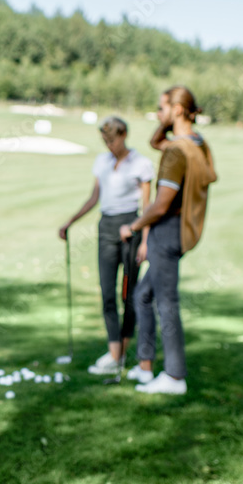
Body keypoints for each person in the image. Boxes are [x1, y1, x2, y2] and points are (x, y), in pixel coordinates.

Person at [118, 86, 217, 395]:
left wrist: (134, 226)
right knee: (143, 296)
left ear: (176, 110)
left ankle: (174, 376)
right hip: (179, 229)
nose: (158, 114)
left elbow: (160, 204)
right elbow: (155, 141)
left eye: (162, 108)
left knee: (166, 303)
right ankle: (146, 366)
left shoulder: (177, 151)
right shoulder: (198, 144)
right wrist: (170, 119)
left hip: (165, 230)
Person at [58, 117, 154, 377]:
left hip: (130, 230)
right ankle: (114, 353)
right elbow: (94, 198)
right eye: (106, 141)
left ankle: (122, 352)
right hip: (107, 228)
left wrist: (145, 240)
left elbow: (147, 208)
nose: (110, 145)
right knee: (107, 294)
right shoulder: (102, 162)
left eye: (113, 140)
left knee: (129, 295)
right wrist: (71, 221)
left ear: (124, 135)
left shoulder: (141, 164)